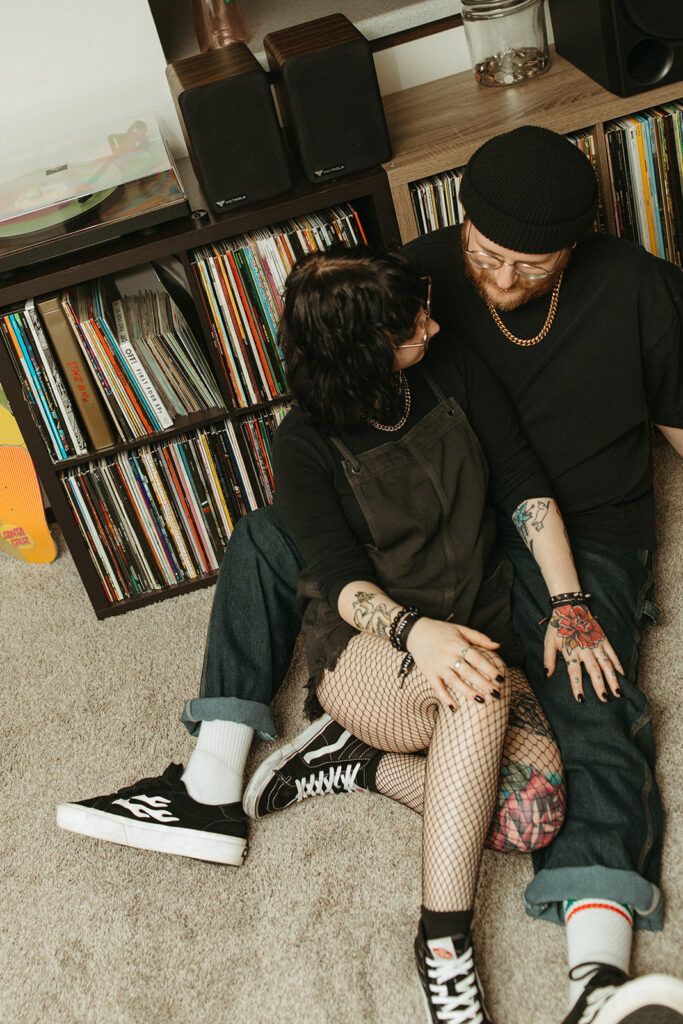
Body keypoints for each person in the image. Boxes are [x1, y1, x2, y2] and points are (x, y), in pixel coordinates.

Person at [57, 126, 683, 1024]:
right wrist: (398, 619)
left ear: (574, 248)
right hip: (432, 502)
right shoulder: (411, 287)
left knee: (593, 701)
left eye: (529, 266)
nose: (499, 283)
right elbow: (343, 429)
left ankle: (598, 978)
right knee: (273, 534)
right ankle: (210, 781)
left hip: (578, 526)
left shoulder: (641, 291)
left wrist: (575, 603)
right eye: (485, 255)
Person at [238, 243, 620, 1022]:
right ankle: (444, 946)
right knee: (474, 687)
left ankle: (356, 767)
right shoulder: (302, 443)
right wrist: (417, 634)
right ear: (364, 350)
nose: (435, 325)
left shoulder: (450, 372)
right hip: (371, 654)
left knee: (529, 819)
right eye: (414, 324)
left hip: (473, 633)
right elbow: (340, 580)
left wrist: (570, 605)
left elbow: (520, 482)